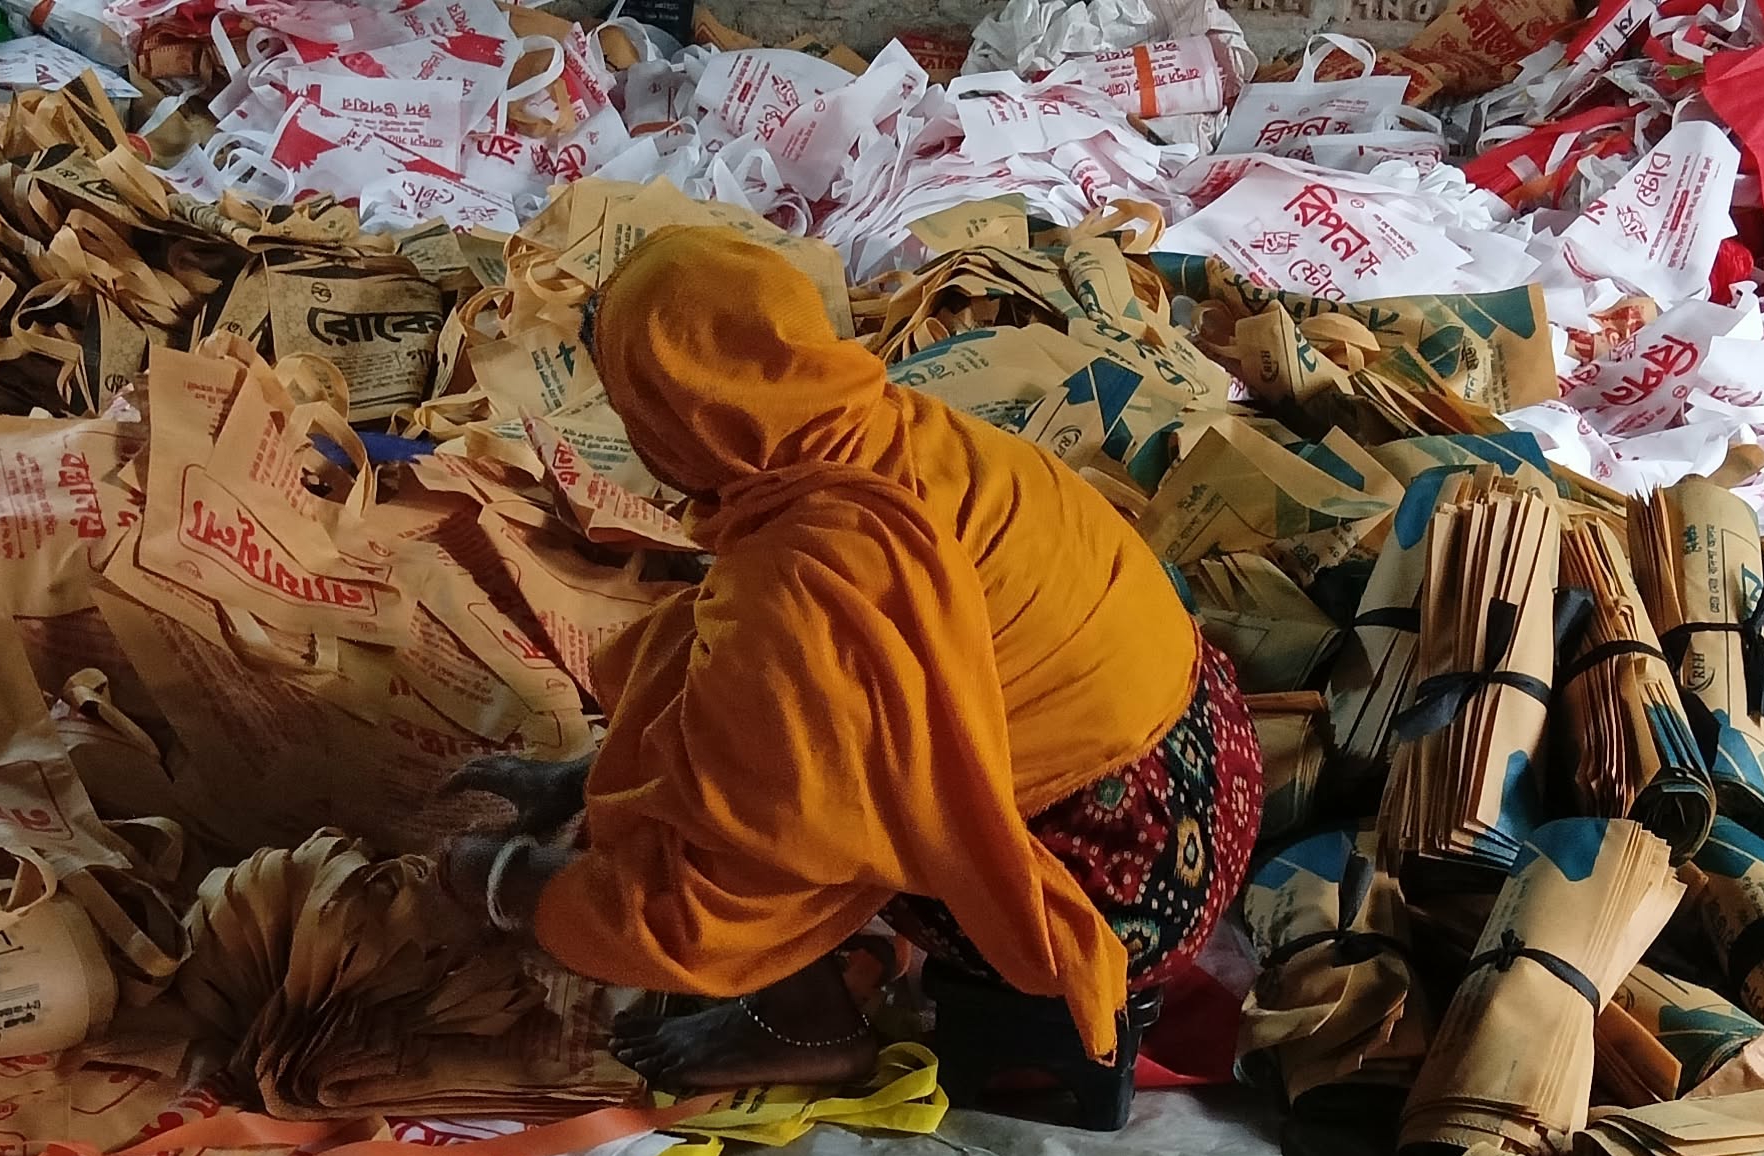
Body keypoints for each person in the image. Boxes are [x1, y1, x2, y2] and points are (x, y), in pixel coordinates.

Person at [440, 226, 1261, 1092]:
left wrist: (511, 885)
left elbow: (742, 867)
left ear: (677, 416)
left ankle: (807, 1022)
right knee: (724, 674)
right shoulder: (879, 431)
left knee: (781, 797)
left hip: (1126, 869)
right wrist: (593, 779)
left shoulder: (809, 575)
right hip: (1209, 749)